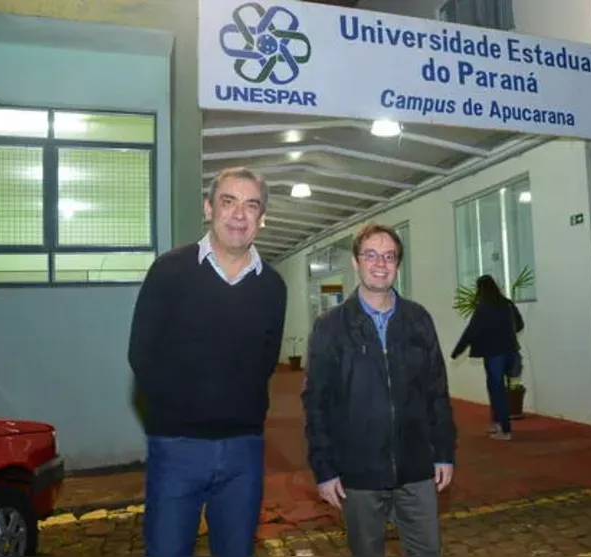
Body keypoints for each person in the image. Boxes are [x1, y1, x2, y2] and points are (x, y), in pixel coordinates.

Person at [128, 166, 287, 557]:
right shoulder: (169, 271)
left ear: (261, 219)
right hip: (177, 448)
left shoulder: (272, 286)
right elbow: (141, 354)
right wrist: (177, 417)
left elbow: (266, 361)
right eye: (228, 201)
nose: (239, 214)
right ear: (208, 208)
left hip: (243, 452)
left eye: (251, 205)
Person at [302, 223, 457, 557]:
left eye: (389, 257)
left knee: (427, 550)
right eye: (370, 255)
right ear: (356, 263)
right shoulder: (330, 328)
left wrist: (444, 451)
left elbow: (437, 392)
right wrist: (324, 468)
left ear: (398, 265)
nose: (380, 264)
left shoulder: (418, 320)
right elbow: (316, 403)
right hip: (358, 473)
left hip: (417, 468)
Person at [450, 274, 524, 441]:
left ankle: (505, 430)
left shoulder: (483, 308)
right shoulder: (507, 304)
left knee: (496, 391)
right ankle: (497, 423)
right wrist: (507, 336)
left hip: (493, 355)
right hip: (510, 352)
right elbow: (520, 325)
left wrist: (457, 351)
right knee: (498, 389)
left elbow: (471, 331)